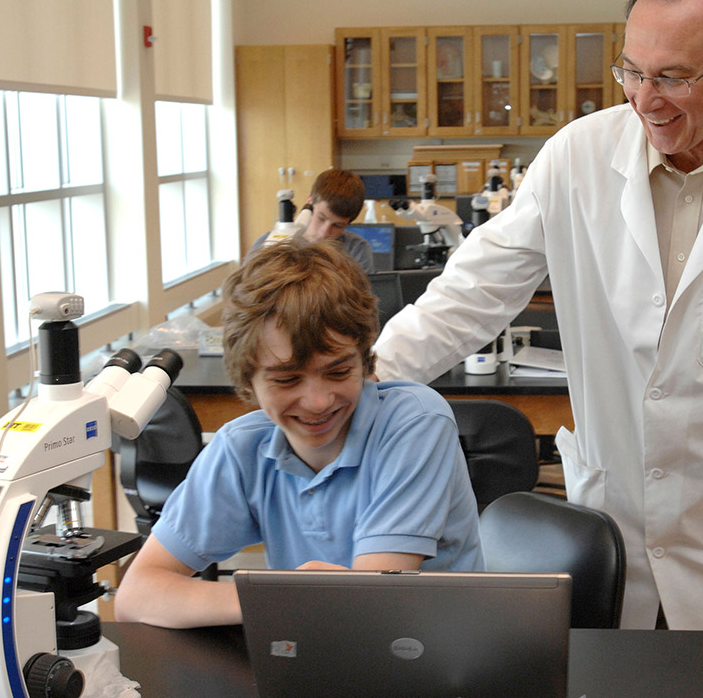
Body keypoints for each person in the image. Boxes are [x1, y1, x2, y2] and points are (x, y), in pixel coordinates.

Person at [372, 0, 703, 696]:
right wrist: (367, 377)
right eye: (632, 70)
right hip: (612, 523)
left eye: (674, 77)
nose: (646, 99)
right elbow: (473, 292)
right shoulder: (577, 158)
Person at [115, 240, 484, 628]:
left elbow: (369, 606)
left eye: (339, 372)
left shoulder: (414, 424)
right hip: (314, 646)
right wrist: (281, 595)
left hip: (435, 653)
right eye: (288, 379)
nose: (318, 401)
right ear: (248, 380)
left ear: (366, 361)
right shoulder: (242, 448)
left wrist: (284, 597)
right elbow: (136, 595)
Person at [249, 168, 374, 272]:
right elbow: (244, 294)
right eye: (321, 218)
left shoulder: (356, 250)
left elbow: (363, 300)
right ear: (310, 201)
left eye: (337, 226)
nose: (324, 233)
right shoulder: (266, 244)